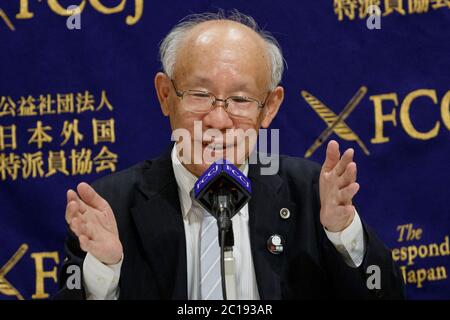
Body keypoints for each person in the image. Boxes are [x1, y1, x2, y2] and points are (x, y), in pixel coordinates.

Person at [55, 10, 404, 300]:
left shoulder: (312, 194)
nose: (218, 120)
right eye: (199, 94)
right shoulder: (110, 208)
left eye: (239, 100)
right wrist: (103, 274)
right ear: (165, 95)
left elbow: (385, 295)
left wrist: (344, 235)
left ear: (269, 108)